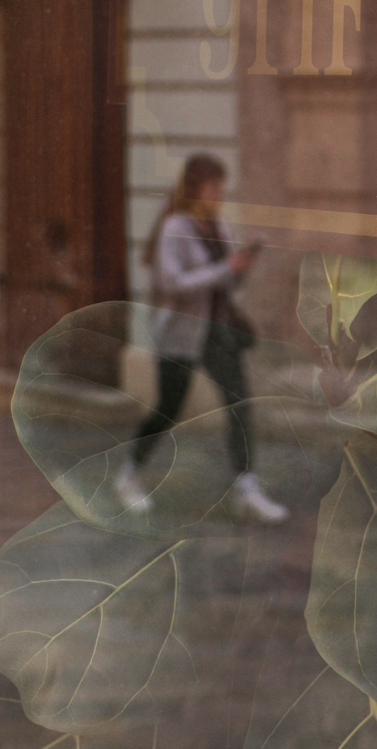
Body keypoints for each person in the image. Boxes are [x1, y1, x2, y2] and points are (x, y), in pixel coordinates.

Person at [115, 153, 289, 524]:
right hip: (180, 333)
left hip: (217, 332)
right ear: (195, 188)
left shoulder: (219, 227)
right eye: (213, 186)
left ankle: (246, 488)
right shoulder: (174, 227)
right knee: (168, 409)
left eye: (221, 186)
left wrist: (240, 268)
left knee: (239, 404)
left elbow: (225, 283)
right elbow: (172, 282)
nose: (219, 193)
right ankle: (129, 474)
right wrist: (225, 267)